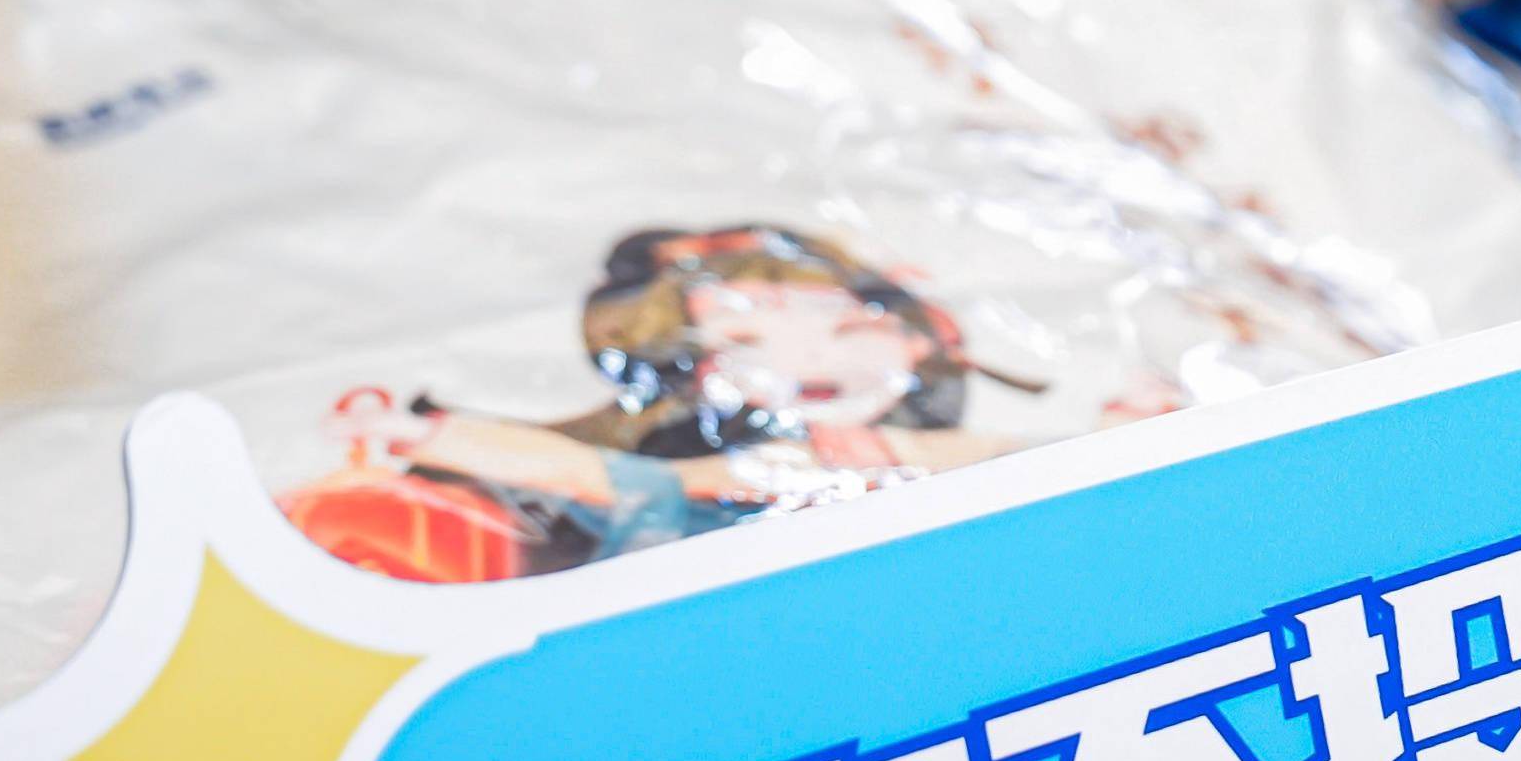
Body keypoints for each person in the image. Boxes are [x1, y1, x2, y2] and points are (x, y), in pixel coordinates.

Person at [285, 224, 1034, 583]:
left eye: (844, 325)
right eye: (737, 339)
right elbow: (602, 478)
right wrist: (430, 434)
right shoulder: (765, 466)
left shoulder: (937, 449)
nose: (805, 356)